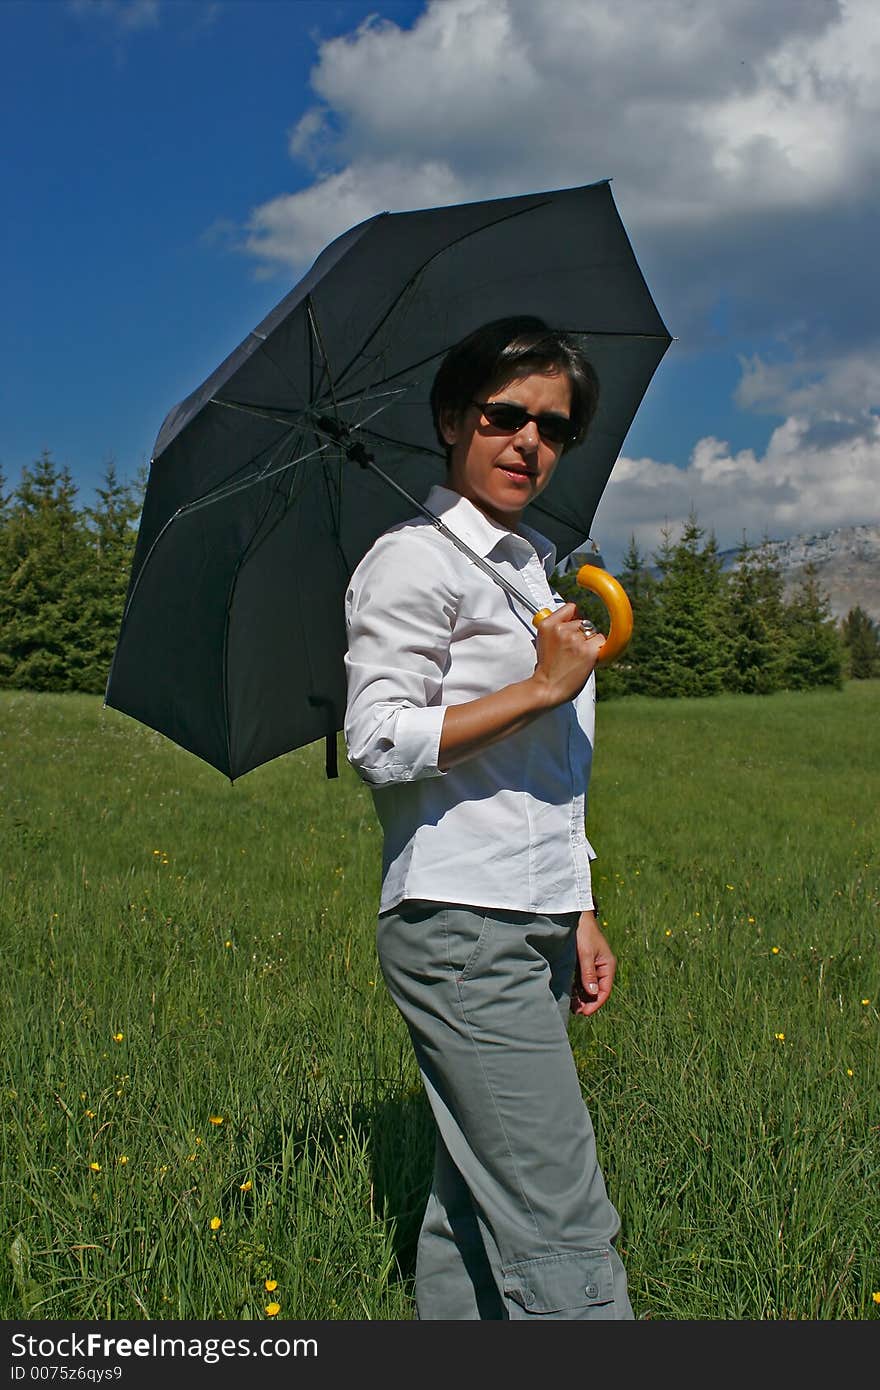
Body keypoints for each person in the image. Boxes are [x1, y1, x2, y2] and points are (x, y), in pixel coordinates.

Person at [343, 315, 633, 1321]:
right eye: (503, 415)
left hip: (531, 913)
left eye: (553, 427)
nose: (527, 442)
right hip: (459, 919)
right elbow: (377, 740)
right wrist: (539, 689)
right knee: (562, 1222)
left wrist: (578, 904)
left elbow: (551, 770)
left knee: (471, 1209)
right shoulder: (410, 562)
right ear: (451, 419)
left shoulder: (527, 569)